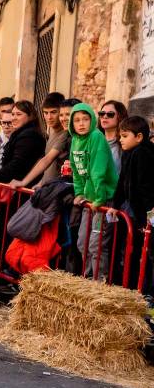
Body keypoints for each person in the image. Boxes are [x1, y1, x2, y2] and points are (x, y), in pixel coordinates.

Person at [69, 103, 118, 280]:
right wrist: (79, 193)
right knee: (82, 242)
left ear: (92, 119)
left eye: (85, 119)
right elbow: (77, 170)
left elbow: (98, 171)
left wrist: (99, 199)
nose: (81, 123)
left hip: (103, 199)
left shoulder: (97, 137)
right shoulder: (75, 140)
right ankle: (88, 278)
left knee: (95, 245)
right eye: (76, 120)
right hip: (89, 201)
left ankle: (99, 281)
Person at [109, 116, 154, 294]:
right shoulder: (130, 153)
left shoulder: (144, 154)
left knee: (146, 255)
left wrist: (148, 216)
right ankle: (131, 288)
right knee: (131, 251)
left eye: (125, 136)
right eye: (120, 136)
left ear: (139, 137)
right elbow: (122, 182)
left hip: (144, 212)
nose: (120, 139)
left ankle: (144, 292)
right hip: (135, 212)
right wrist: (115, 204)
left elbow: (146, 187)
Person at [9, 93, 73, 188]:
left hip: (57, 190)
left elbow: (47, 160)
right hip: (47, 187)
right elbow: (50, 166)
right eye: (46, 113)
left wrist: (23, 182)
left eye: (53, 112)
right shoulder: (52, 131)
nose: (49, 117)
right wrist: (40, 183)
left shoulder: (65, 134)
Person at [0, 100, 46, 186]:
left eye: (19, 114)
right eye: (13, 114)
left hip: (22, 189)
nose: (13, 118)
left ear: (30, 116)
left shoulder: (29, 135)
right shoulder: (21, 133)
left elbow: (17, 165)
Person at [98, 100, 128, 174]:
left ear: (120, 116)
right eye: (102, 113)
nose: (105, 116)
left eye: (110, 114)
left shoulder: (126, 144)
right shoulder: (94, 141)